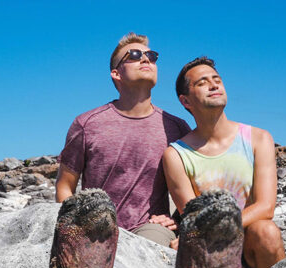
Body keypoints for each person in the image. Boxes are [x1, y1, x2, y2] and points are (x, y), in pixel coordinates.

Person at [56, 32, 190, 247]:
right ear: (116, 74)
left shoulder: (176, 127)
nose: (146, 59)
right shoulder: (86, 123)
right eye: (134, 55)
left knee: (149, 249)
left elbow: (196, 185)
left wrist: (178, 220)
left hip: (149, 227)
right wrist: (74, 227)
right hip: (96, 227)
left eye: (152, 56)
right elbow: (65, 186)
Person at [163, 57, 285, 268]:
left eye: (216, 79)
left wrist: (218, 225)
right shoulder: (177, 155)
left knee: (267, 232)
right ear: (186, 101)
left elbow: (266, 207)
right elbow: (194, 216)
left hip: (248, 241)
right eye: (202, 83)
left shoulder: (258, 139)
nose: (213, 85)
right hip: (211, 246)